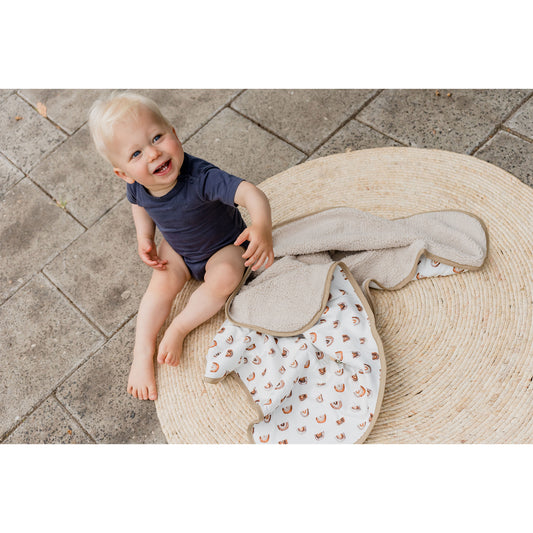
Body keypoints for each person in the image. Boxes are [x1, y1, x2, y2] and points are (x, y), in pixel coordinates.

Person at [88, 92, 274, 401]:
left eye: (157, 137)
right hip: (179, 249)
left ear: (174, 132)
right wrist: (144, 238)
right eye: (136, 154)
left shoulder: (201, 178)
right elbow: (138, 205)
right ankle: (142, 351)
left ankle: (179, 328)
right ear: (123, 173)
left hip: (223, 245)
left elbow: (251, 193)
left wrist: (262, 226)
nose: (153, 154)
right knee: (159, 285)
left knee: (227, 275)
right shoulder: (137, 186)